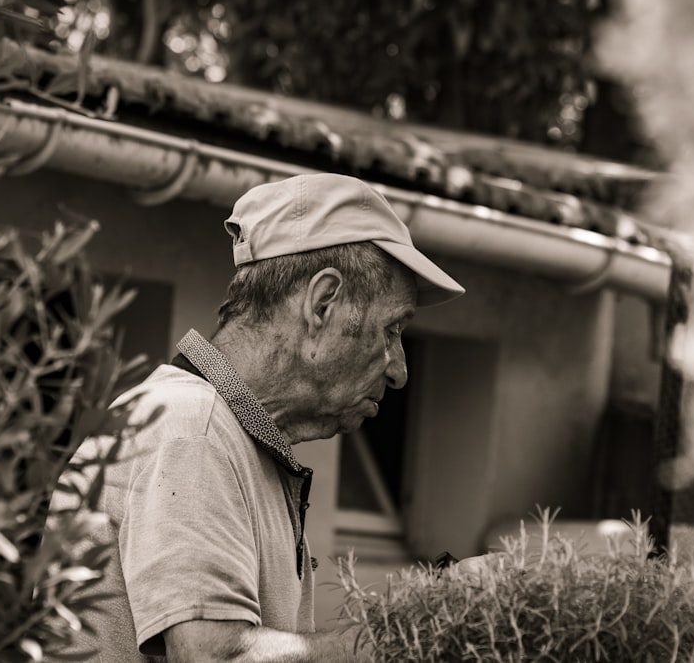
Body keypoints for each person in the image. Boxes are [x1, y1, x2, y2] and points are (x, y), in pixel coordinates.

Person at [49, 173, 465, 662]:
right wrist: (423, 635)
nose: (399, 370)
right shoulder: (192, 428)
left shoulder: (231, 437)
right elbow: (217, 657)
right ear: (322, 303)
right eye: (391, 329)